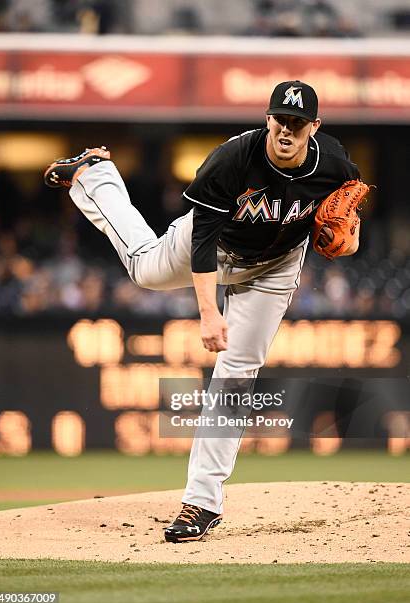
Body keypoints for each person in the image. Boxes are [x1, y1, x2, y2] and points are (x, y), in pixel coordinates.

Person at [44, 80, 361, 543]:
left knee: (236, 375)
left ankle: (201, 504)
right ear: (268, 118)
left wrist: (349, 237)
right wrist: (209, 314)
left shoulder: (334, 163)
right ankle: (96, 175)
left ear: (314, 126)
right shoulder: (232, 159)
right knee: (143, 270)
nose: (286, 130)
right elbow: (203, 243)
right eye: (280, 119)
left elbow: (348, 215)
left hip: (274, 269)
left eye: (297, 122)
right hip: (213, 247)